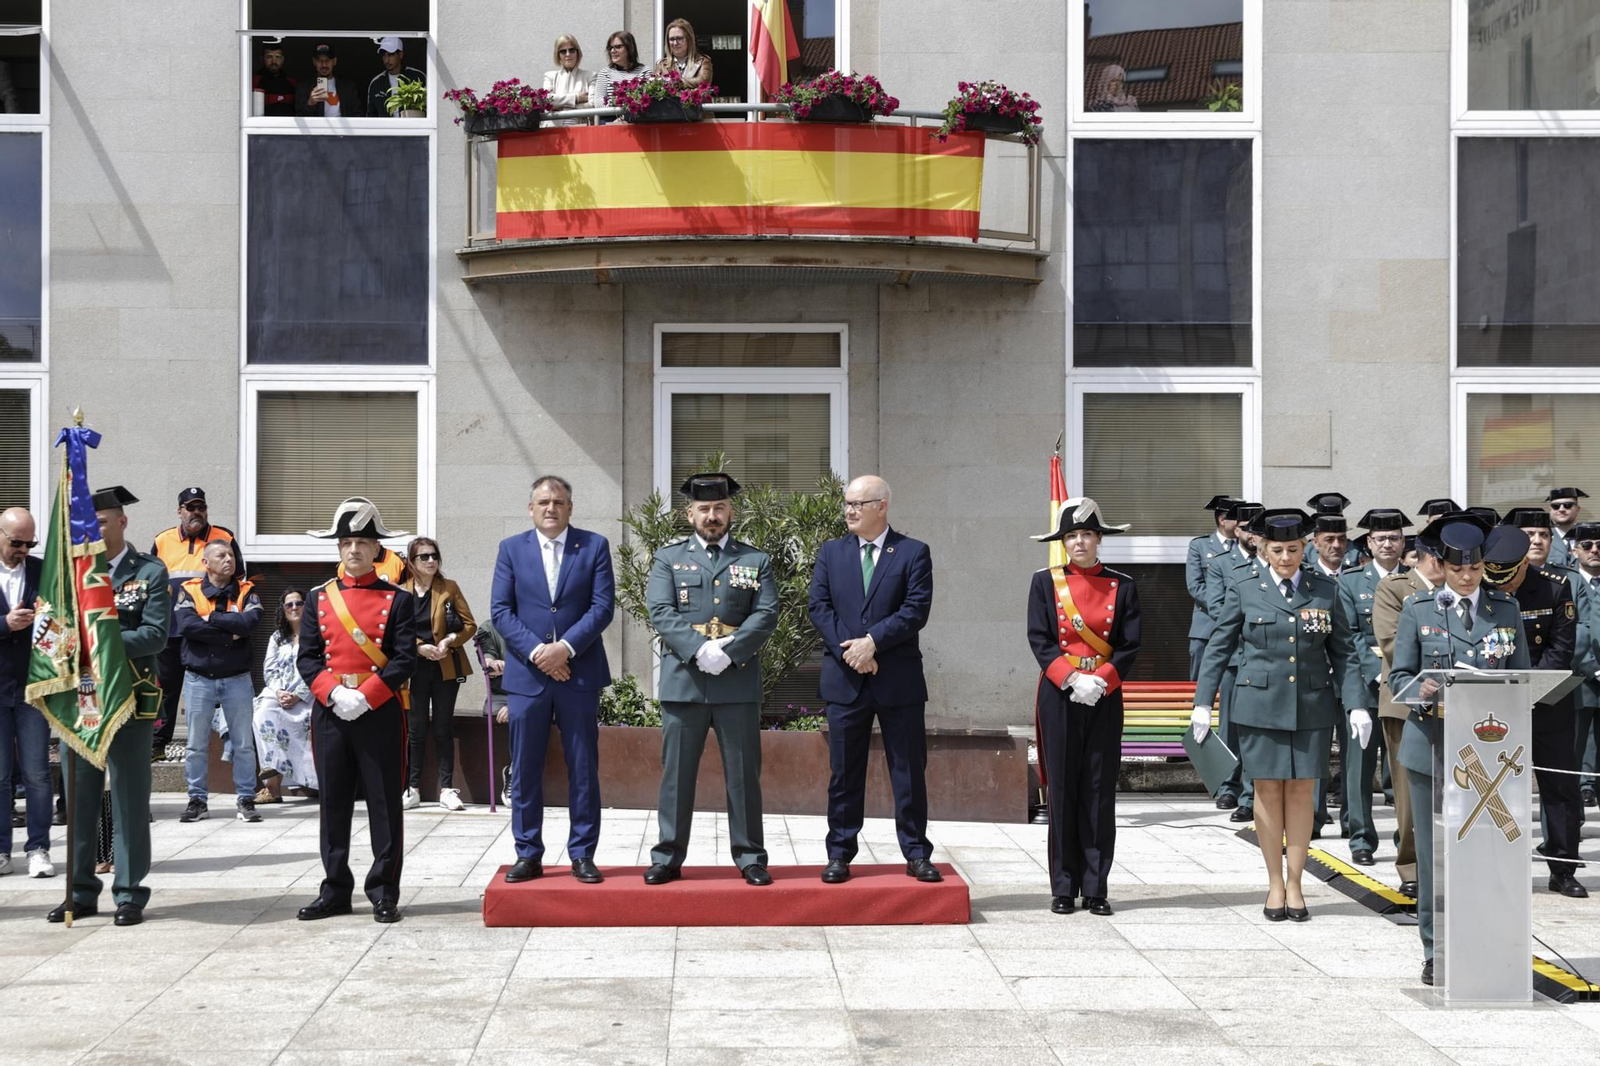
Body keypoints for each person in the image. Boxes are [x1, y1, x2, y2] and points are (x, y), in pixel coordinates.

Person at [1388, 511, 1530, 986]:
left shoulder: (1505, 609)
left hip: (1490, 752)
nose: (1466, 577)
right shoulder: (1419, 609)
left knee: (1487, 850)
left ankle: (1486, 941)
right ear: (1441, 565)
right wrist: (1423, 688)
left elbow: (1522, 676)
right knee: (1434, 855)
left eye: (1474, 568)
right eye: (1457, 568)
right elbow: (1398, 677)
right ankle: (1437, 950)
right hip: (1432, 745)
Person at [1193, 508, 1354, 923]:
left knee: (1302, 792)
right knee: (1266, 790)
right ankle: (1275, 883)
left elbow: (1344, 652)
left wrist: (1355, 704)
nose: (1286, 558)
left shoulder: (1325, 589)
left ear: (1305, 548)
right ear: (1264, 549)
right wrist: (1202, 702)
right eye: (1278, 550)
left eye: (1294, 549)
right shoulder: (1245, 586)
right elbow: (1219, 645)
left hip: (1312, 706)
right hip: (1259, 705)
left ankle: (1296, 883)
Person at [644, 472, 779, 886]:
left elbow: (766, 613)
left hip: (736, 683)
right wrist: (699, 649)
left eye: (719, 507)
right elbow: (660, 610)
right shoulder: (669, 559)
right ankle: (667, 856)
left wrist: (729, 651)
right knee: (676, 776)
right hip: (684, 681)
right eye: (703, 508)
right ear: (690, 515)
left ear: (731, 512)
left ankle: (750, 856)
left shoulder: (755, 560)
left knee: (743, 775)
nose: (712, 515)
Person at [808, 475, 939, 884]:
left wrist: (873, 643)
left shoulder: (913, 552)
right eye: (847, 503)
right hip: (846, 680)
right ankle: (839, 853)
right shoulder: (831, 552)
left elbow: (916, 609)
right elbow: (819, 606)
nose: (849, 511)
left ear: (882, 506)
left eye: (858, 504)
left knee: (908, 771)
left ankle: (916, 853)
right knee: (844, 773)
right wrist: (853, 652)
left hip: (898, 681)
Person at [50, 487, 169, 925]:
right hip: (82, 700)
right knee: (79, 799)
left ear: (121, 522)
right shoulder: (72, 574)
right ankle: (79, 892)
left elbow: (155, 634)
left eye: (101, 522)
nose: (94, 531)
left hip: (129, 698)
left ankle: (130, 893)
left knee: (128, 799)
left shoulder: (149, 571)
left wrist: (101, 641)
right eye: (87, 524)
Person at [296, 498, 417, 923]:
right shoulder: (318, 598)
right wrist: (333, 694)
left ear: (376, 549)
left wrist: (367, 695)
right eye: (347, 542)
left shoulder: (398, 599)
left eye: (363, 542)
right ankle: (335, 890)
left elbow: (405, 658)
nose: (354, 550)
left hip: (378, 710)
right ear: (338, 548)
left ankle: (384, 891)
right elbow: (307, 658)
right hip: (332, 712)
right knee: (333, 803)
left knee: (385, 803)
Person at [491, 476, 614, 883]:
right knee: (525, 768)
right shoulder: (511, 549)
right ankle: (528, 853)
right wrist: (540, 653)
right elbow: (501, 611)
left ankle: (583, 853)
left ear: (570, 508)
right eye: (543, 502)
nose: (551, 508)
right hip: (528, 677)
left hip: (579, 674)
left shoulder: (593, 546)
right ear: (531, 508)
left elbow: (602, 607)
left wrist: (566, 649)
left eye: (558, 502)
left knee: (583, 767)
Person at [1028, 498, 1141, 915]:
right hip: (1060, 692)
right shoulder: (1045, 582)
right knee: (1060, 790)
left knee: (1098, 790)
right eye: (1071, 535)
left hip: (1103, 695)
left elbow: (1129, 644)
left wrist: (1102, 680)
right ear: (1063, 542)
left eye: (1087, 534)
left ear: (1099, 539)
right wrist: (1072, 678)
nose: (1079, 542)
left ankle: (1095, 887)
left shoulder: (1123, 585)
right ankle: (1063, 886)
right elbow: (1039, 638)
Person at [1480, 526, 1587, 898]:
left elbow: (1561, 647)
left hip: (1547, 701)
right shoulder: (1480, 587)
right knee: (1493, 788)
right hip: (1495, 703)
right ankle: (1495, 867)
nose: (1503, 584)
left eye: (1509, 575)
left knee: (1560, 787)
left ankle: (1563, 868)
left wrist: (1529, 689)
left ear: (1524, 563)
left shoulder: (1554, 587)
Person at [1372, 526, 1449, 899]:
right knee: (1409, 793)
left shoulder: (1462, 592)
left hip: (1459, 705)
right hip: (1408, 703)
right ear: (1431, 556)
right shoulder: (1395, 588)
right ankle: (1413, 868)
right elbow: (1391, 642)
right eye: (1449, 560)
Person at [1336, 507, 1411, 868]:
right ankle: (1361, 838)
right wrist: (1378, 672)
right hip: (1365, 685)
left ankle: (1405, 837)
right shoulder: (1351, 582)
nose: (1387, 544)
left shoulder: (1414, 581)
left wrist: (1397, 673)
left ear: (1403, 542)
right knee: (1359, 766)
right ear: (1368, 542)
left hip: (1403, 685)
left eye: (1394, 538)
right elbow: (1348, 636)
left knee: (1404, 768)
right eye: (1380, 538)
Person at [150, 487, 243, 760]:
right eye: (190, 508)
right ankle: (158, 744)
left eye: (201, 507)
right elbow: (151, 584)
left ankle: (214, 750)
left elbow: (237, 582)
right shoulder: (162, 540)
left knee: (211, 689)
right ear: (179, 511)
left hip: (207, 630)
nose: (196, 512)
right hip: (171, 629)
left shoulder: (224, 538)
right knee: (166, 689)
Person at [174, 540, 263, 824]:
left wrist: (211, 617)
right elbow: (187, 626)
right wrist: (229, 631)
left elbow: (250, 624)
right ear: (206, 563)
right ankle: (197, 800)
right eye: (221, 555)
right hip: (198, 678)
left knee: (243, 743)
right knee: (195, 744)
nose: (228, 559)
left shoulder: (247, 590)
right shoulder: (189, 589)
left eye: (231, 555)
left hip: (237, 679)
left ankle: (246, 798)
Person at [400, 536, 478, 812]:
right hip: (415, 668)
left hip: (446, 666)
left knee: (443, 727)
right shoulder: (402, 592)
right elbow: (396, 632)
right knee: (416, 729)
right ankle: (412, 788)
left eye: (434, 555)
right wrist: (418, 647)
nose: (431, 560)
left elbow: (470, 625)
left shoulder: (449, 588)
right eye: (424, 556)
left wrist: (449, 640)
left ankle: (447, 789)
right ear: (412, 561)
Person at [1204, 502, 1265, 820]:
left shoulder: (1271, 561)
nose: (1254, 535)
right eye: (1249, 529)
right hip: (1234, 656)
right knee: (1229, 725)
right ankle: (1228, 785)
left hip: (1262, 658)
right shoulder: (1221, 563)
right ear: (1237, 530)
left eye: (1259, 529)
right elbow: (1216, 606)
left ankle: (1251, 793)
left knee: (1256, 729)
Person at [0, 506, 50, 878]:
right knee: (0, 777)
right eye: (17, 543)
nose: (23, 550)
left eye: (30, 544)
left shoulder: (41, 571)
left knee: (37, 774)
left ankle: (38, 848)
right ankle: (2, 851)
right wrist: (5, 623)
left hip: (32, 687)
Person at [253, 588, 317, 803]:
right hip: (280, 693)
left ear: (307, 606)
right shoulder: (277, 638)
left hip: (308, 695)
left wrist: (299, 695)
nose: (294, 608)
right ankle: (272, 785)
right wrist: (280, 692)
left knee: (309, 720)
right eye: (289, 605)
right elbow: (270, 670)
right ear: (283, 609)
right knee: (262, 712)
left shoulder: (318, 635)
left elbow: (322, 668)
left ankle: (309, 782)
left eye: (299, 603)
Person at [1186, 496, 1241, 682]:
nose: (1242, 524)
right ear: (1222, 520)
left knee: (1232, 681)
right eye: (1237, 519)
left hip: (1238, 625)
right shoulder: (1199, 546)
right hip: (1206, 624)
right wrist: (1224, 607)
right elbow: (1195, 586)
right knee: (1201, 681)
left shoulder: (1246, 548)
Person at [1571, 521, 1600, 809]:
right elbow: (1571, 632)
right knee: (1580, 738)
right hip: (1582, 675)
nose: (1595, 550)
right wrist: (1594, 668)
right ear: (1575, 550)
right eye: (1587, 545)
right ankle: (1584, 785)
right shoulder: (1566, 582)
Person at [297, 43, 363, 117]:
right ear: (314, 61)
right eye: (320, 61)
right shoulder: (304, 87)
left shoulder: (348, 87)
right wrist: (310, 103)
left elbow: (358, 114)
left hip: (342, 124)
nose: (324, 65)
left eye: (327, 60)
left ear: (334, 61)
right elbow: (299, 117)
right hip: (317, 125)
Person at [366, 37, 426, 118]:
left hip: (411, 126)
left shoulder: (417, 77)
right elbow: (371, 116)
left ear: (400, 55)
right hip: (385, 126)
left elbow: (429, 108)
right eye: (384, 55)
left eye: (390, 55)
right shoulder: (376, 83)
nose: (386, 60)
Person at [543, 34, 594, 126]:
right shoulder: (550, 76)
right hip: (554, 130)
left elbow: (593, 105)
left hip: (581, 128)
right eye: (563, 51)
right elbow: (547, 100)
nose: (568, 54)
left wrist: (559, 105)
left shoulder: (590, 76)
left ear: (577, 53)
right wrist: (576, 98)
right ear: (558, 55)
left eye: (571, 50)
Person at [592, 30, 648, 111]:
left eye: (618, 47)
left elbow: (647, 100)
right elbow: (598, 103)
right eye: (610, 48)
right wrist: (619, 106)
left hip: (637, 117)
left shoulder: (644, 71)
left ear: (630, 48)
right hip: (611, 117)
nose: (612, 51)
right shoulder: (605, 73)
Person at [654, 18, 713, 87]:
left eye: (679, 38)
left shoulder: (703, 62)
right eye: (672, 39)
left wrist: (675, 82)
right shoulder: (661, 65)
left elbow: (703, 82)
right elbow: (656, 86)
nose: (675, 43)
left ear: (689, 39)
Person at [1547, 487, 1588, 568]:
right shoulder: (1543, 538)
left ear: (1577, 509)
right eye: (1556, 506)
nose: (1561, 509)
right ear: (1550, 510)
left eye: (1568, 505)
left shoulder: (1589, 537)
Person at [253, 42, 297, 116]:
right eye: (269, 57)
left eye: (278, 57)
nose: (274, 61)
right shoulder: (253, 81)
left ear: (283, 60)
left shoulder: (292, 82)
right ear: (262, 59)